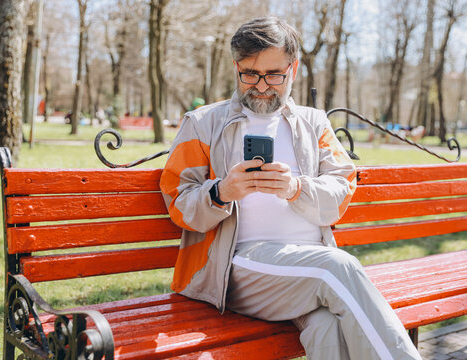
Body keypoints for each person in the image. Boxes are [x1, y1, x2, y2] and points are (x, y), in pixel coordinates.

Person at [160, 17, 421, 360]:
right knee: (337, 268)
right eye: (250, 74)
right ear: (236, 67)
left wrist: (296, 188)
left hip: (307, 268)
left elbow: (341, 192)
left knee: (329, 329)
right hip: (237, 270)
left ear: (293, 69)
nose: (262, 86)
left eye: (274, 75)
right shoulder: (204, 123)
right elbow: (178, 201)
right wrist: (221, 191)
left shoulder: (315, 124)